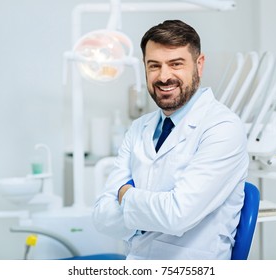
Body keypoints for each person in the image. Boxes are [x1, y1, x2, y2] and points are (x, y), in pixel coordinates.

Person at [92, 19, 249, 260]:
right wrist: (153, 212)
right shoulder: (138, 129)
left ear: (199, 65)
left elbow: (177, 216)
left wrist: (125, 195)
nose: (164, 77)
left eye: (176, 64)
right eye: (154, 66)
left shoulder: (222, 128)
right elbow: (102, 217)